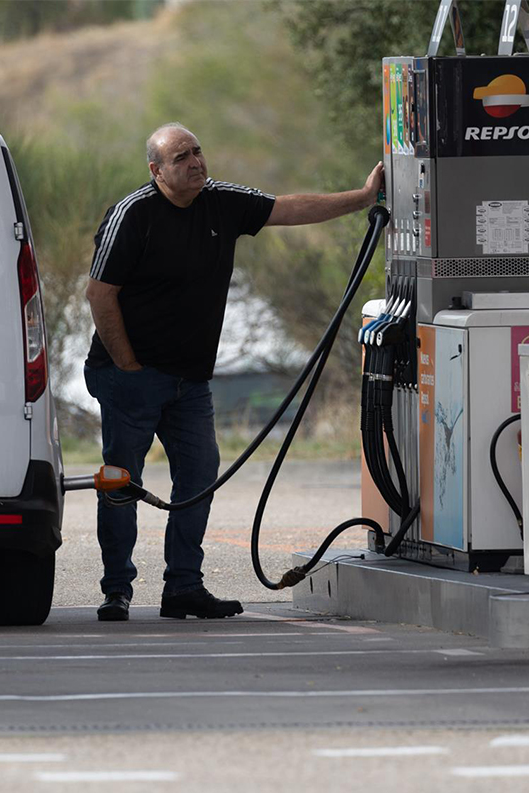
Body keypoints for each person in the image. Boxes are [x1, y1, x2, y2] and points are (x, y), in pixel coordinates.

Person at [84, 122, 383, 622]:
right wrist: (128, 366)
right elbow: (100, 294)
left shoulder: (222, 202)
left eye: (198, 151)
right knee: (121, 484)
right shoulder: (133, 214)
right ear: (157, 170)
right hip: (129, 378)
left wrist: (361, 198)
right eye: (182, 157)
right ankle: (116, 590)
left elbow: (288, 208)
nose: (196, 162)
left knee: (199, 479)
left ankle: (183, 588)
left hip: (190, 381)